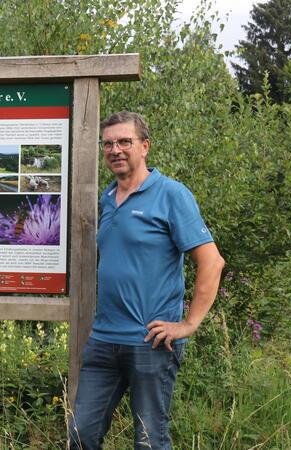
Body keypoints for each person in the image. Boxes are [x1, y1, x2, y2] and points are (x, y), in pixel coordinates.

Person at [68, 112, 224, 450]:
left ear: (145, 147)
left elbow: (212, 262)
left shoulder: (171, 194)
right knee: (81, 435)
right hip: (103, 339)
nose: (115, 150)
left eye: (125, 141)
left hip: (150, 343)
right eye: (108, 143)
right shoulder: (108, 198)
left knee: (150, 440)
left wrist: (188, 324)